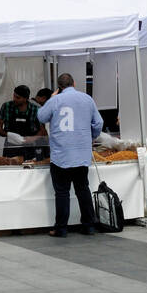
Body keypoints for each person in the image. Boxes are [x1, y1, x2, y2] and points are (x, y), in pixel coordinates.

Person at [36, 73, 102, 237]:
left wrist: (50, 98)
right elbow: (98, 123)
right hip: (81, 153)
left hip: (61, 154)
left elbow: (41, 116)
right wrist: (91, 136)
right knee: (83, 189)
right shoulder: (87, 99)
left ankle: (61, 228)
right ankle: (89, 225)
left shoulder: (55, 100)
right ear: (74, 83)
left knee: (62, 192)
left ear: (59, 87)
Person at [0, 85, 45, 159]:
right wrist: (10, 135)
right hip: (11, 147)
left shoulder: (35, 109)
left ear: (26, 99)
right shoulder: (6, 106)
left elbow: (42, 131)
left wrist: (31, 139)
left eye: (18, 98)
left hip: (29, 147)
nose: (14, 99)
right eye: (14, 96)